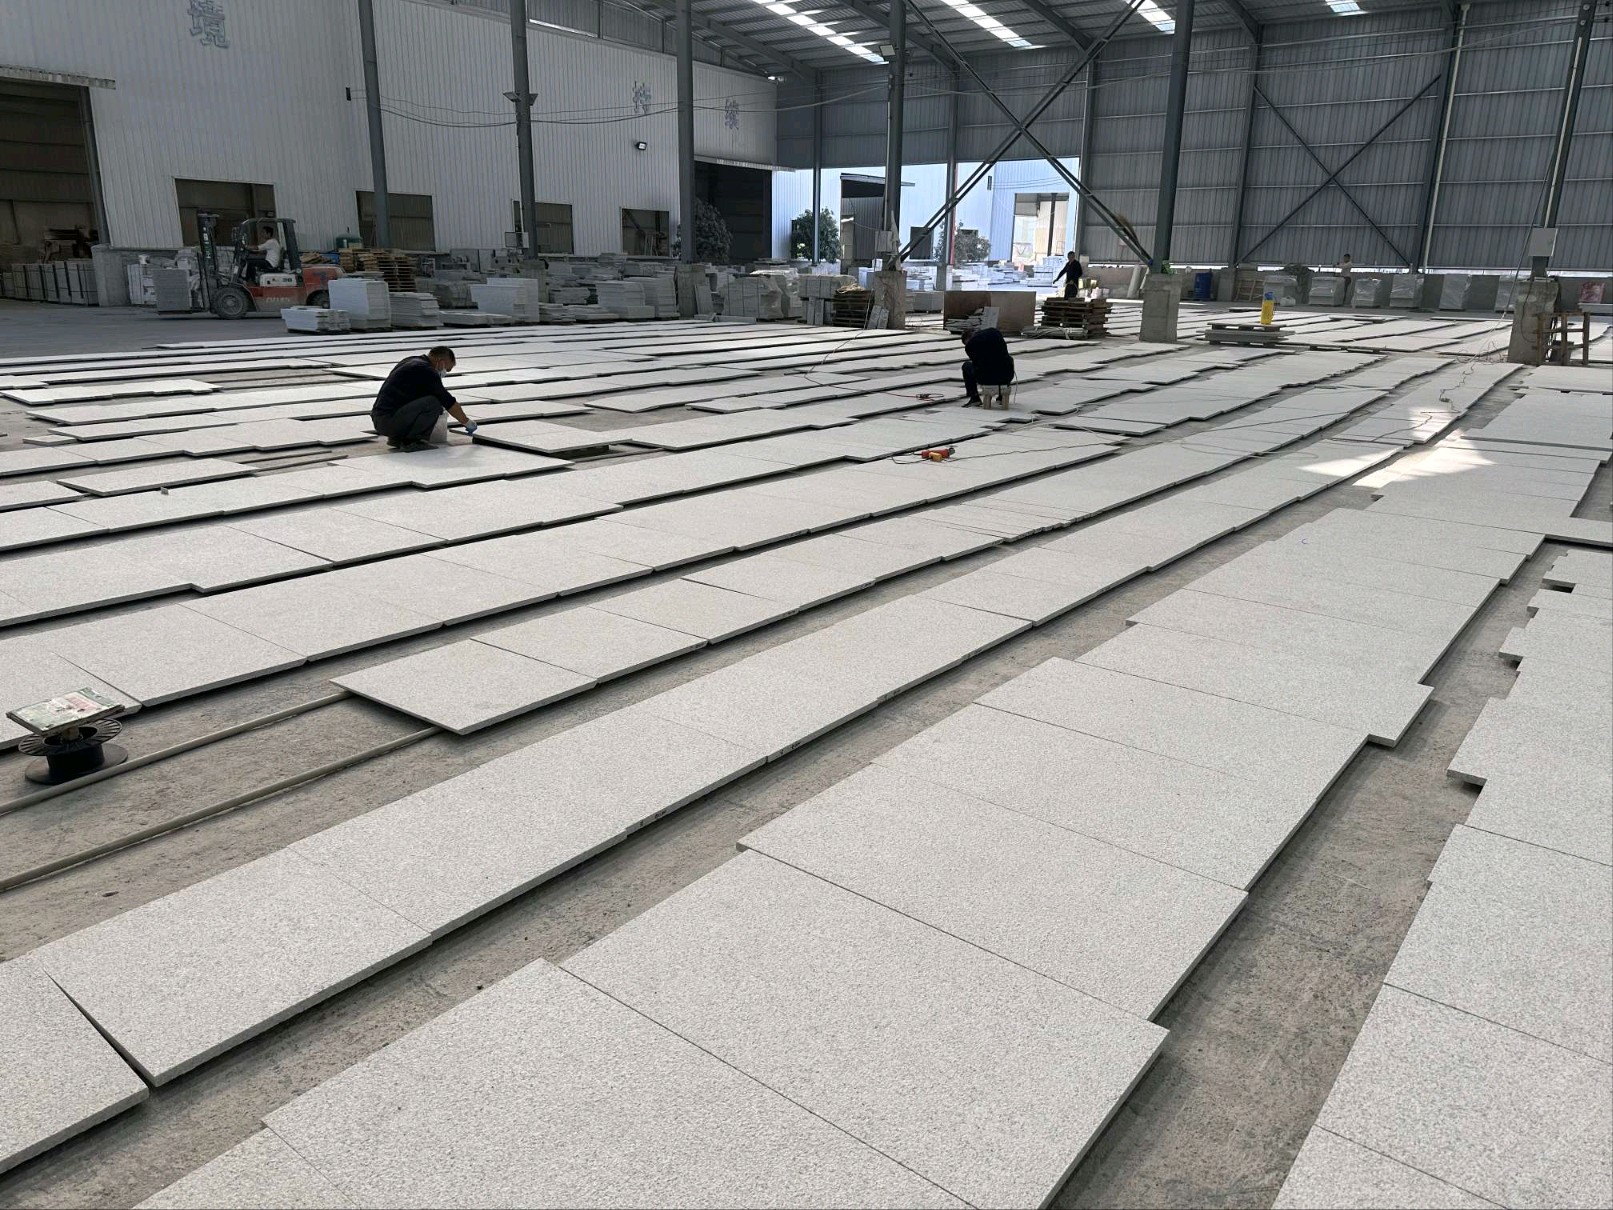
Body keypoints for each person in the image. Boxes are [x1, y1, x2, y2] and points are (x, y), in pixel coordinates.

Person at [370, 346, 479, 451]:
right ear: (441, 361)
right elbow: (448, 401)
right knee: (433, 403)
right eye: (446, 369)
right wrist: (467, 422)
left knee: (427, 399)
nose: (445, 372)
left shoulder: (411, 361)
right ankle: (412, 442)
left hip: (381, 419)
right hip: (388, 421)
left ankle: (397, 439)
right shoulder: (426, 370)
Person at [960, 327, 1015, 406]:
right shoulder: (995, 332)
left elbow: (976, 364)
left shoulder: (970, 345)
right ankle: (1001, 397)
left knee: (966, 366)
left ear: (968, 338)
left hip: (986, 379)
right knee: (1007, 360)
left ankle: (974, 398)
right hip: (1007, 376)